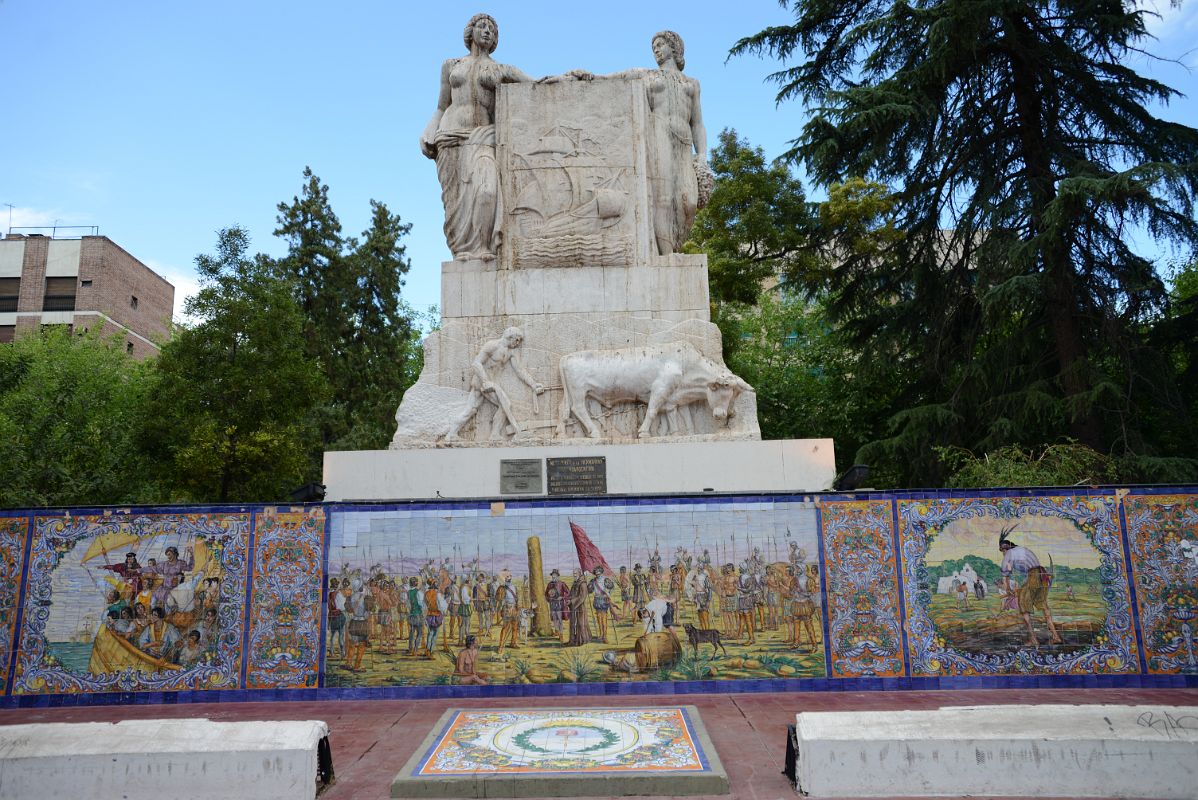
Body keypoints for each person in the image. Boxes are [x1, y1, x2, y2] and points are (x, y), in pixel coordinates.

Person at [585, 33, 708, 254]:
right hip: (658, 136)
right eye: (654, 47)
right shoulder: (647, 76)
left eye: (660, 45)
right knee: (662, 197)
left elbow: (698, 123)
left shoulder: (692, 83)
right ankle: (667, 255)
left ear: (674, 47)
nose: (656, 50)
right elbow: (617, 78)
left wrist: (702, 156)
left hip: (684, 142)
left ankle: (675, 247)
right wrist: (591, 76)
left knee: (689, 201)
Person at [445, 327, 545, 442]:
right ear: (510, 337)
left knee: (471, 410)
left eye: (519, 341)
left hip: (492, 384)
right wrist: (485, 381)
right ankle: (494, 434)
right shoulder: (492, 345)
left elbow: (520, 370)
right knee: (505, 404)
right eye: (517, 340)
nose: (517, 343)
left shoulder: (510, 352)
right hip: (482, 382)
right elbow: (476, 363)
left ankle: (452, 433)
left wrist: (533, 384)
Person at [998, 526, 1063, 647]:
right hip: (1043, 576)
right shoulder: (1022, 550)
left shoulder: (1009, 553)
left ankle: (1033, 639)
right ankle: (1056, 636)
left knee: (1023, 605)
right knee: (1043, 605)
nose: (1002, 554)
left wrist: (1008, 589)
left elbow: (1005, 574)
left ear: (1004, 548)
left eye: (1002, 551)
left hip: (1034, 576)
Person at [567, 570, 592, 646]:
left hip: (580, 606)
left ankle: (582, 641)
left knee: (581, 624)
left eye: (575, 574)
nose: (574, 575)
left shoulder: (583, 583)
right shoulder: (575, 583)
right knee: (573, 624)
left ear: (579, 574)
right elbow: (571, 594)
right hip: (573, 607)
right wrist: (569, 599)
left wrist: (572, 601)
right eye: (573, 574)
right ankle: (573, 641)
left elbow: (582, 596)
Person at [545, 569, 569, 638]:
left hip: (559, 604)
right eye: (552, 576)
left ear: (558, 576)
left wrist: (562, 597)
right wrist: (549, 599)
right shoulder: (549, 584)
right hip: (552, 604)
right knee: (554, 619)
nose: (553, 577)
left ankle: (561, 634)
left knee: (560, 619)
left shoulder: (562, 583)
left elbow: (568, 592)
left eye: (555, 576)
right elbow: (546, 594)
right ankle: (556, 631)